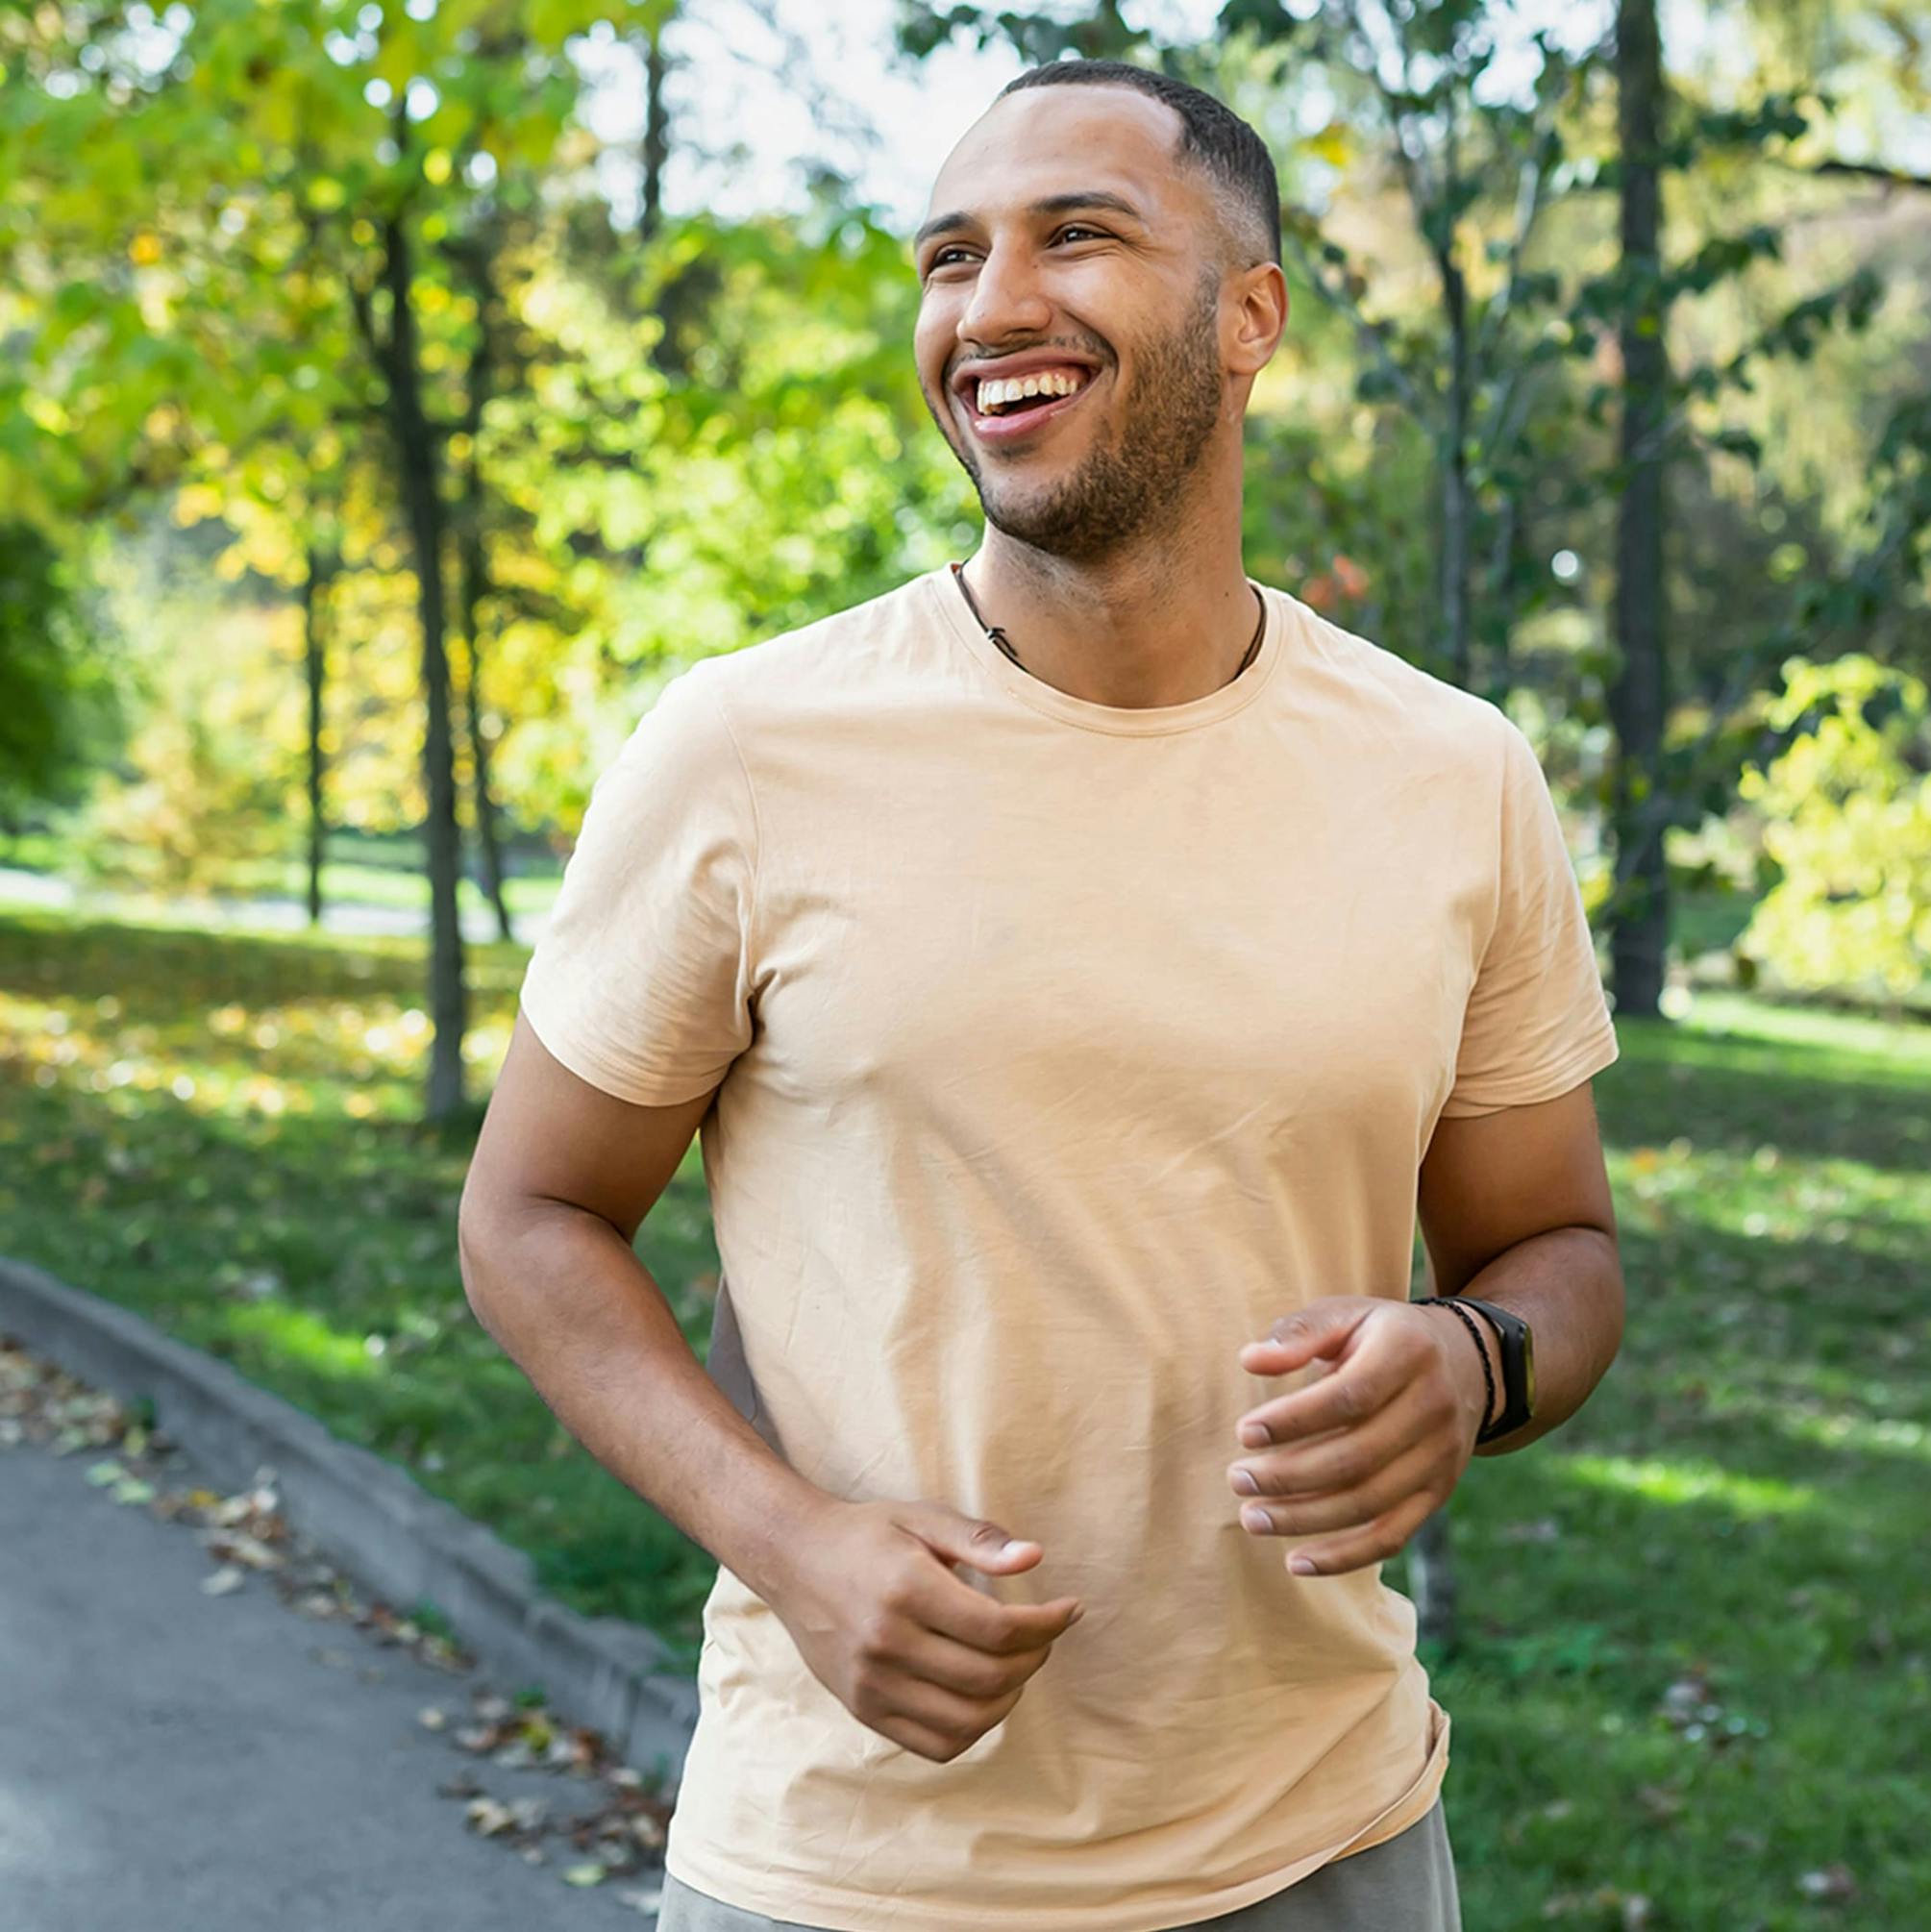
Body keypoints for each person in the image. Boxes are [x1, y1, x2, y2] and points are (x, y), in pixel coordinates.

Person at [458, 56, 1625, 1932]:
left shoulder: (1451, 770)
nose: (986, 309)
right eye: (945, 259)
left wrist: (1476, 1363)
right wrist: (788, 1541)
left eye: (1072, 237)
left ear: (1249, 316)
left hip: (1329, 1845)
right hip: (847, 1870)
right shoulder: (749, 747)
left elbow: (1553, 1245)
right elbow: (527, 1213)